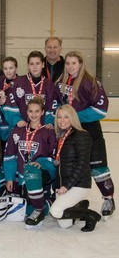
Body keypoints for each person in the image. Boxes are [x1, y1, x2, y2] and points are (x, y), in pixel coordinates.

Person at [56, 50, 115, 219]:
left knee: (98, 167)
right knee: (72, 167)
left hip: (90, 131)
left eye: (74, 63)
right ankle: (75, 199)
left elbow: (100, 110)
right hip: (70, 132)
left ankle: (108, 198)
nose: (70, 66)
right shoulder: (61, 81)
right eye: (67, 63)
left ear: (81, 64)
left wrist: (74, 116)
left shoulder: (91, 81)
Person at [4, 97, 57, 229]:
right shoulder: (17, 131)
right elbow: (10, 156)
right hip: (21, 177)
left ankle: (49, 201)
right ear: (26, 112)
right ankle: (44, 203)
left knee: (31, 209)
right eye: (31, 111)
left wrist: (42, 163)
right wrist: (10, 178)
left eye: (37, 111)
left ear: (42, 112)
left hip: (39, 176)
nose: (33, 115)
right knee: (23, 210)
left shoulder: (48, 133)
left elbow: (53, 157)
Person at [49, 104, 101, 232]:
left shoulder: (81, 135)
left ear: (73, 118)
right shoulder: (60, 135)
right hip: (64, 183)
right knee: (64, 225)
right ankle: (80, 205)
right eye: (59, 117)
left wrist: (67, 186)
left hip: (78, 184)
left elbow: (82, 164)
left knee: (55, 211)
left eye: (66, 117)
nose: (62, 120)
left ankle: (90, 215)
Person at [2, 51, 59, 129]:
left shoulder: (50, 85)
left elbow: (54, 106)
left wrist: (50, 122)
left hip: (43, 129)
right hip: (22, 128)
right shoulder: (18, 82)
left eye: (37, 64)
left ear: (43, 65)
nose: (34, 67)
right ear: (28, 66)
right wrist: (17, 120)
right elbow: (10, 104)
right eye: (32, 64)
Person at [0, 56, 19, 142]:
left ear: (16, 68)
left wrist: (7, 100)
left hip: (12, 123)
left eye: (11, 68)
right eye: (5, 68)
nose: (8, 71)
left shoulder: (21, 83)